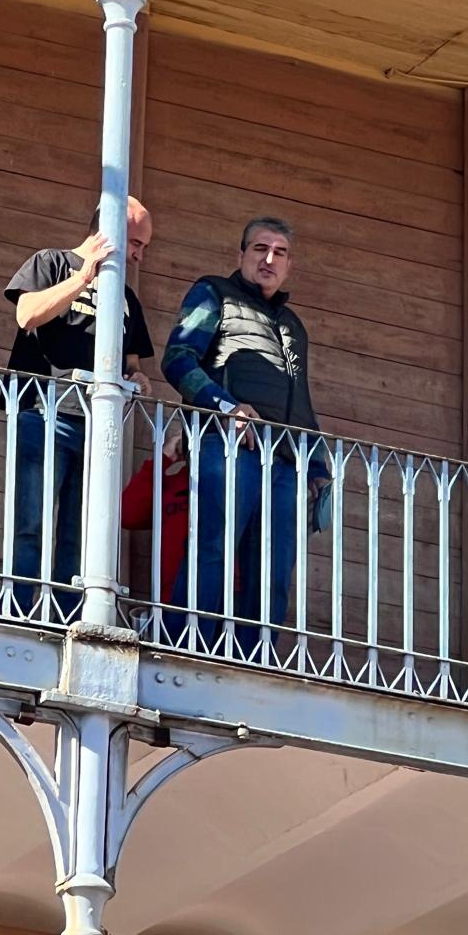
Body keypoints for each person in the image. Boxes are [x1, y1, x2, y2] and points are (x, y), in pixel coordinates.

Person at [162, 216, 328, 657]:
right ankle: (185, 644)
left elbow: (301, 398)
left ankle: (256, 657)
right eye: (260, 249)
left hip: (286, 459)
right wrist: (225, 405)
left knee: (274, 569)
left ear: (289, 264)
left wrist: (317, 464)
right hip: (228, 444)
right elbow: (178, 359)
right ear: (241, 255)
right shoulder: (213, 292)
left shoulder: (293, 324)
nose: (269, 259)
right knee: (213, 545)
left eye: (280, 252)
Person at [4, 202, 154, 616]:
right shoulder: (50, 263)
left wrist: (138, 378)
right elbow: (27, 314)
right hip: (41, 414)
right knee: (30, 523)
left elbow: (133, 363)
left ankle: (64, 614)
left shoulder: (124, 296)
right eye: (136, 243)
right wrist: (82, 278)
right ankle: (17, 609)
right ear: (111, 233)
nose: (140, 254)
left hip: (94, 427)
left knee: (78, 533)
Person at [121, 418, 191, 609]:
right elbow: (128, 513)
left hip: (224, 600)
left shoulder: (235, 484)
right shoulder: (171, 485)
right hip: (170, 597)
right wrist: (162, 458)